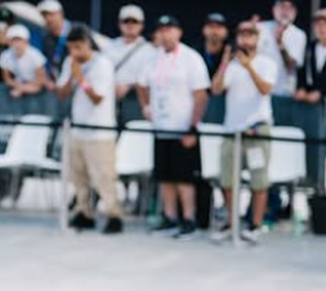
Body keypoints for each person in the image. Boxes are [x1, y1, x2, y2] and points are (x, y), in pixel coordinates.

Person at [137, 15, 210, 240]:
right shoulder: (152, 58)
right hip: (161, 126)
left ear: (178, 32)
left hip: (183, 127)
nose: (166, 34)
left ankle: (188, 218)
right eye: (162, 30)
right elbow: (141, 84)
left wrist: (192, 126)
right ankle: (169, 216)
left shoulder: (191, 58)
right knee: (165, 176)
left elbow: (201, 96)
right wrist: (146, 106)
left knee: (184, 177)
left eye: (170, 29)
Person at [211, 21, 278, 244]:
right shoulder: (231, 64)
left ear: (258, 38)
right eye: (242, 35)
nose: (245, 39)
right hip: (232, 129)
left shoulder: (266, 63)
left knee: (259, 180)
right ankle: (233, 222)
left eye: (250, 35)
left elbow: (266, 89)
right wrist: (224, 61)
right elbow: (216, 89)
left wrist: (249, 66)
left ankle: (256, 225)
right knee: (227, 178)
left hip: (257, 129)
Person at [58, 25, 122, 234]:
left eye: (78, 47)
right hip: (78, 128)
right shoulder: (70, 62)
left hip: (100, 130)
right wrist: (71, 76)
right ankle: (84, 212)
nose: (75, 52)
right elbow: (62, 94)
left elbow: (97, 98)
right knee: (79, 175)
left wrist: (81, 80)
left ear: (88, 44)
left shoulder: (102, 64)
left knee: (103, 175)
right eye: (71, 48)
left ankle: (114, 214)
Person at [103, 4, 155, 101]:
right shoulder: (109, 47)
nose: (130, 25)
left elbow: (151, 78)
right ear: (119, 24)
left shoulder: (150, 50)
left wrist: (129, 86)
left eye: (134, 22)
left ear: (141, 25)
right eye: (126, 21)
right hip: (110, 100)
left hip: (136, 101)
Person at [257, 0, 307, 97]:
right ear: (274, 9)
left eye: (289, 8)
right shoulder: (260, 28)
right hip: (259, 90)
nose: (285, 11)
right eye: (282, 6)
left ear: (295, 12)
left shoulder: (299, 34)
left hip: (284, 92)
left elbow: (292, 66)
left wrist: (280, 44)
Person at [0, 24, 46, 98]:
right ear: (9, 42)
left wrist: (22, 89)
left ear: (26, 41)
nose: (17, 44)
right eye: (14, 40)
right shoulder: (5, 55)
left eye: (20, 40)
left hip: (35, 87)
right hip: (17, 85)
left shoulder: (36, 55)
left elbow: (41, 79)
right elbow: (7, 79)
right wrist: (19, 86)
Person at [37, 0, 71, 88]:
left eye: (51, 14)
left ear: (61, 14)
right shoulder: (46, 37)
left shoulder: (78, 31)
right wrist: (47, 79)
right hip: (59, 88)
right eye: (44, 15)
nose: (48, 18)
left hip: (79, 86)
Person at [201, 13, 229, 80]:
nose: (215, 31)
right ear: (203, 30)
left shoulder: (231, 51)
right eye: (211, 26)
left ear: (226, 32)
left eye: (219, 27)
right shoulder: (194, 51)